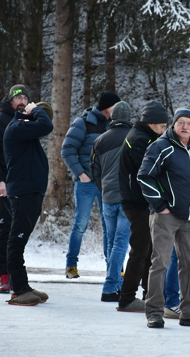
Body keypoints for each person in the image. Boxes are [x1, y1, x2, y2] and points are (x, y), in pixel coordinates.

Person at [138, 107, 190, 328]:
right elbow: (144, 177)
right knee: (160, 263)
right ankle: (154, 312)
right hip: (166, 216)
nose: (185, 126)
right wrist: (160, 206)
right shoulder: (161, 147)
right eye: (181, 122)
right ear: (174, 124)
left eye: (189, 123)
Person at [62, 91, 121, 279]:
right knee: (80, 224)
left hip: (108, 185)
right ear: (107, 107)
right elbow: (67, 150)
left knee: (109, 226)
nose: (117, 110)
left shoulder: (115, 125)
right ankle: (71, 265)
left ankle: (112, 267)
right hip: (86, 184)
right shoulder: (84, 122)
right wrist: (81, 174)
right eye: (115, 107)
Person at [117, 101, 168, 312]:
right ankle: (127, 298)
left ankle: (149, 294)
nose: (164, 129)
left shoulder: (146, 137)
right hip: (137, 202)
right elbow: (147, 171)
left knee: (148, 250)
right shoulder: (138, 139)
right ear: (150, 122)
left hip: (141, 201)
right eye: (161, 125)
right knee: (140, 250)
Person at [3, 101, 54, 305]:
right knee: (16, 240)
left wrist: (35, 112)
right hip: (24, 193)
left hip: (29, 192)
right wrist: (35, 110)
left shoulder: (23, 131)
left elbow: (43, 126)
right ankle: (18, 289)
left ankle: (22, 286)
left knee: (19, 241)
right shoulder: (17, 127)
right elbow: (46, 126)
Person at [0, 84, 30, 293]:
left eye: (25, 98)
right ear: (10, 100)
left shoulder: (25, 121)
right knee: (7, 228)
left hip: (20, 184)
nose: (22, 101)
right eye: (18, 98)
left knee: (12, 229)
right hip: (5, 184)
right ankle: (3, 275)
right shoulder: (0, 120)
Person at [163, 104, 190, 319]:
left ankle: (187, 306)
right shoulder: (167, 146)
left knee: (188, 261)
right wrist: (161, 205)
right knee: (170, 258)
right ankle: (170, 301)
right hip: (171, 212)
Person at [90, 102, 133, 302]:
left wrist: (104, 188)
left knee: (111, 241)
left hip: (107, 197)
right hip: (126, 198)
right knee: (120, 242)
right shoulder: (134, 138)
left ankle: (114, 284)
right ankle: (110, 287)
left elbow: (94, 171)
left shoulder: (100, 140)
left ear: (112, 118)